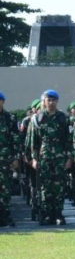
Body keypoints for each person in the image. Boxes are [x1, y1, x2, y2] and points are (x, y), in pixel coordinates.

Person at [27, 90, 73, 225]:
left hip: (60, 158)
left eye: (53, 100)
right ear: (44, 101)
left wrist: (69, 158)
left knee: (58, 187)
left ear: (57, 101)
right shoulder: (37, 119)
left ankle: (58, 214)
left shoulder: (64, 118)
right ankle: (47, 214)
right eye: (48, 100)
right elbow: (33, 142)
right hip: (44, 158)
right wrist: (34, 159)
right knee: (45, 188)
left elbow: (69, 141)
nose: (51, 102)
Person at [0, 91, 19, 227]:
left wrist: (15, 158)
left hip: (5, 159)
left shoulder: (10, 118)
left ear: (3, 102)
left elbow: (15, 140)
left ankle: (5, 216)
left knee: (5, 189)